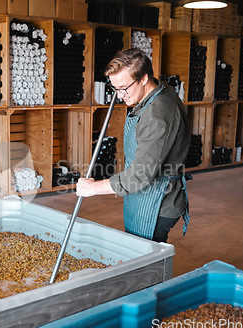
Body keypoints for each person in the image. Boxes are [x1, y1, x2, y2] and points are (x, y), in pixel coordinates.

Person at [76, 48, 191, 242]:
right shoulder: (160, 89)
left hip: (156, 202)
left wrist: (93, 188)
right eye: (115, 88)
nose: (119, 96)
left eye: (124, 88)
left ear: (144, 78)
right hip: (146, 194)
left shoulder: (156, 116)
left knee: (145, 262)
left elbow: (140, 175)